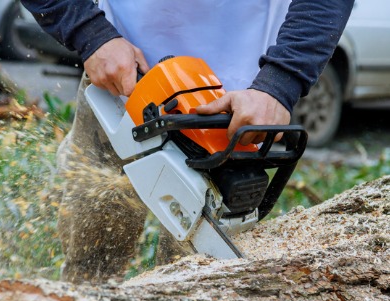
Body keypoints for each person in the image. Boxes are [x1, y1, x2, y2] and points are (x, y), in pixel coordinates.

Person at [20, 0, 354, 283]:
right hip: (120, 73)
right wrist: (89, 33)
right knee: (88, 263)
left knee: (197, 282)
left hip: (238, 99)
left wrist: (280, 82)